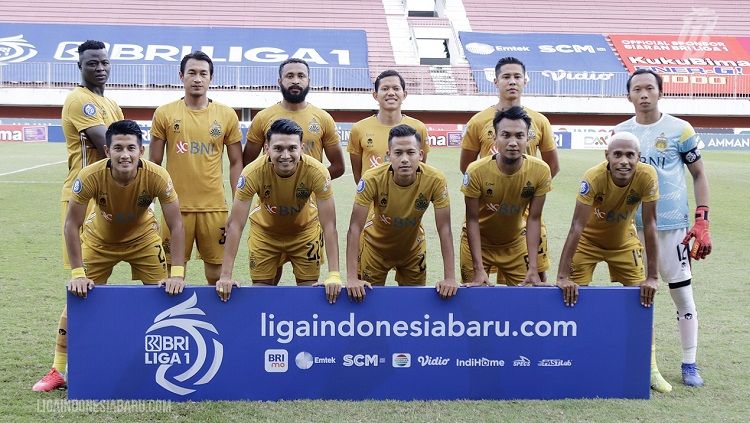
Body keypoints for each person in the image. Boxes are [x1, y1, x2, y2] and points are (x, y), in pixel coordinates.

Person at [33, 120, 185, 391]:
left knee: (165, 297)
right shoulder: (89, 176)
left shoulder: (158, 176)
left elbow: (176, 224)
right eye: (118, 148)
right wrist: (78, 273)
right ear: (107, 151)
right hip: (99, 240)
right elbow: (71, 224)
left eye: (130, 148)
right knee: (77, 299)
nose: (124, 154)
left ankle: (160, 364)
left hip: (143, 239)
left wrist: (177, 273)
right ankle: (59, 369)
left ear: (141, 150)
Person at [35, 40, 125, 392]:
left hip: (114, 199)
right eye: (92, 63)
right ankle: (59, 368)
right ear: (80, 66)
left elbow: (127, 145)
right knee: (83, 284)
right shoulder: (79, 99)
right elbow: (111, 143)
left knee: (152, 279)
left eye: (104, 62)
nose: (100, 67)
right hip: (82, 199)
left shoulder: (111, 102)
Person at [615, 69, 711, 388]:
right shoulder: (621, 133)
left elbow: (698, 174)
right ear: (628, 95)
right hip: (632, 228)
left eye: (649, 88)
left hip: (672, 228)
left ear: (660, 92)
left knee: (682, 295)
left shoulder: (680, 130)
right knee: (636, 298)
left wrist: (702, 218)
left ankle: (689, 364)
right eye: (637, 89)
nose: (643, 94)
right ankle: (640, 361)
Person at [555, 132, 667, 393]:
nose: (624, 161)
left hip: (624, 242)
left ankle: (650, 368)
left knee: (642, 301)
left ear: (638, 157)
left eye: (630, 155)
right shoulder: (592, 178)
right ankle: (571, 362)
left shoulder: (647, 176)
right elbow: (577, 226)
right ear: (607, 157)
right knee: (571, 299)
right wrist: (562, 275)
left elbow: (650, 224)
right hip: (587, 243)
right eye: (617, 154)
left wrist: (652, 276)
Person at [216, 119, 342, 304]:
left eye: (292, 148)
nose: (285, 155)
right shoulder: (252, 173)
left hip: (305, 233)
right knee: (261, 295)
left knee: (308, 295)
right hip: (265, 234)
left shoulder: (317, 172)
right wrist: (225, 275)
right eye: (278, 148)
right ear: (267, 148)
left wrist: (334, 274)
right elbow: (235, 224)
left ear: (302, 147)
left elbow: (329, 225)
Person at [459, 57, 559, 282]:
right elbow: (466, 166)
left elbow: (551, 165)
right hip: (489, 209)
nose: (512, 81)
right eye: (506, 77)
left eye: (517, 76)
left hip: (525, 213)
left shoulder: (540, 121)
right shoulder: (478, 121)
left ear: (525, 80)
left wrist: (525, 192)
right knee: (478, 284)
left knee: (534, 279)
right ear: (496, 81)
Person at [149, 51, 243, 285]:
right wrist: (150, 203)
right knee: (172, 273)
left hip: (214, 207)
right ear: (181, 76)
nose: (197, 78)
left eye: (203, 73)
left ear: (211, 78)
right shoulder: (165, 113)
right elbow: (153, 165)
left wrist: (237, 204)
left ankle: (215, 321)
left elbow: (235, 162)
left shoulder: (226, 115)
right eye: (192, 72)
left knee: (216, 273)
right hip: (175, 207)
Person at [346, 124, 458, 302]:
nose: (405, 159)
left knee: (414, 304)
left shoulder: (435, 180)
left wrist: (450, 277)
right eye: (398, 153)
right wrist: (351, 278)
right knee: (366, 302)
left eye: (411, 152)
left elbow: (444, 228)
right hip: (375, 249)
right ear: (388, 155)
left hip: (412, 250)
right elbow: (354, 228)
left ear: (420, 155)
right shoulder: (371, 178)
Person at [461, 106, 551, 286]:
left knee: (524, 302)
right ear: (495, 138)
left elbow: (534, 219)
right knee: (474, 303)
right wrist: (478, 269)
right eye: (506, 135)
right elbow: (472, 220)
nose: (513, 142)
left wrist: (533, 268)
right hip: (480, 245)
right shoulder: (476, 170)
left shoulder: (540, 170)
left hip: (515, 244)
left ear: (528, 139)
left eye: (519, 136)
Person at [242, 58, 345, 181]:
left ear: (308, 81)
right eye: (289, 76)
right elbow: (246, 163)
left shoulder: (323, 118)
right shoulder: (263, 117)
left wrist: (312, 181)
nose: (295, 81)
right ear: (280, 81)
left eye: (301, 76)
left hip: (309, 199)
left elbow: (338, 166)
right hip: (270, 199)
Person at [348, 69, 430, 183]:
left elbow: (420, 167)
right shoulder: (359, 128)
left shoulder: (419, 128)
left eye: (396, 88)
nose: (391, 93)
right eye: (385, 89)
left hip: (405, 199)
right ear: (375, 95)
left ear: (404, 94)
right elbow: (358, 175)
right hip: (371, 199)